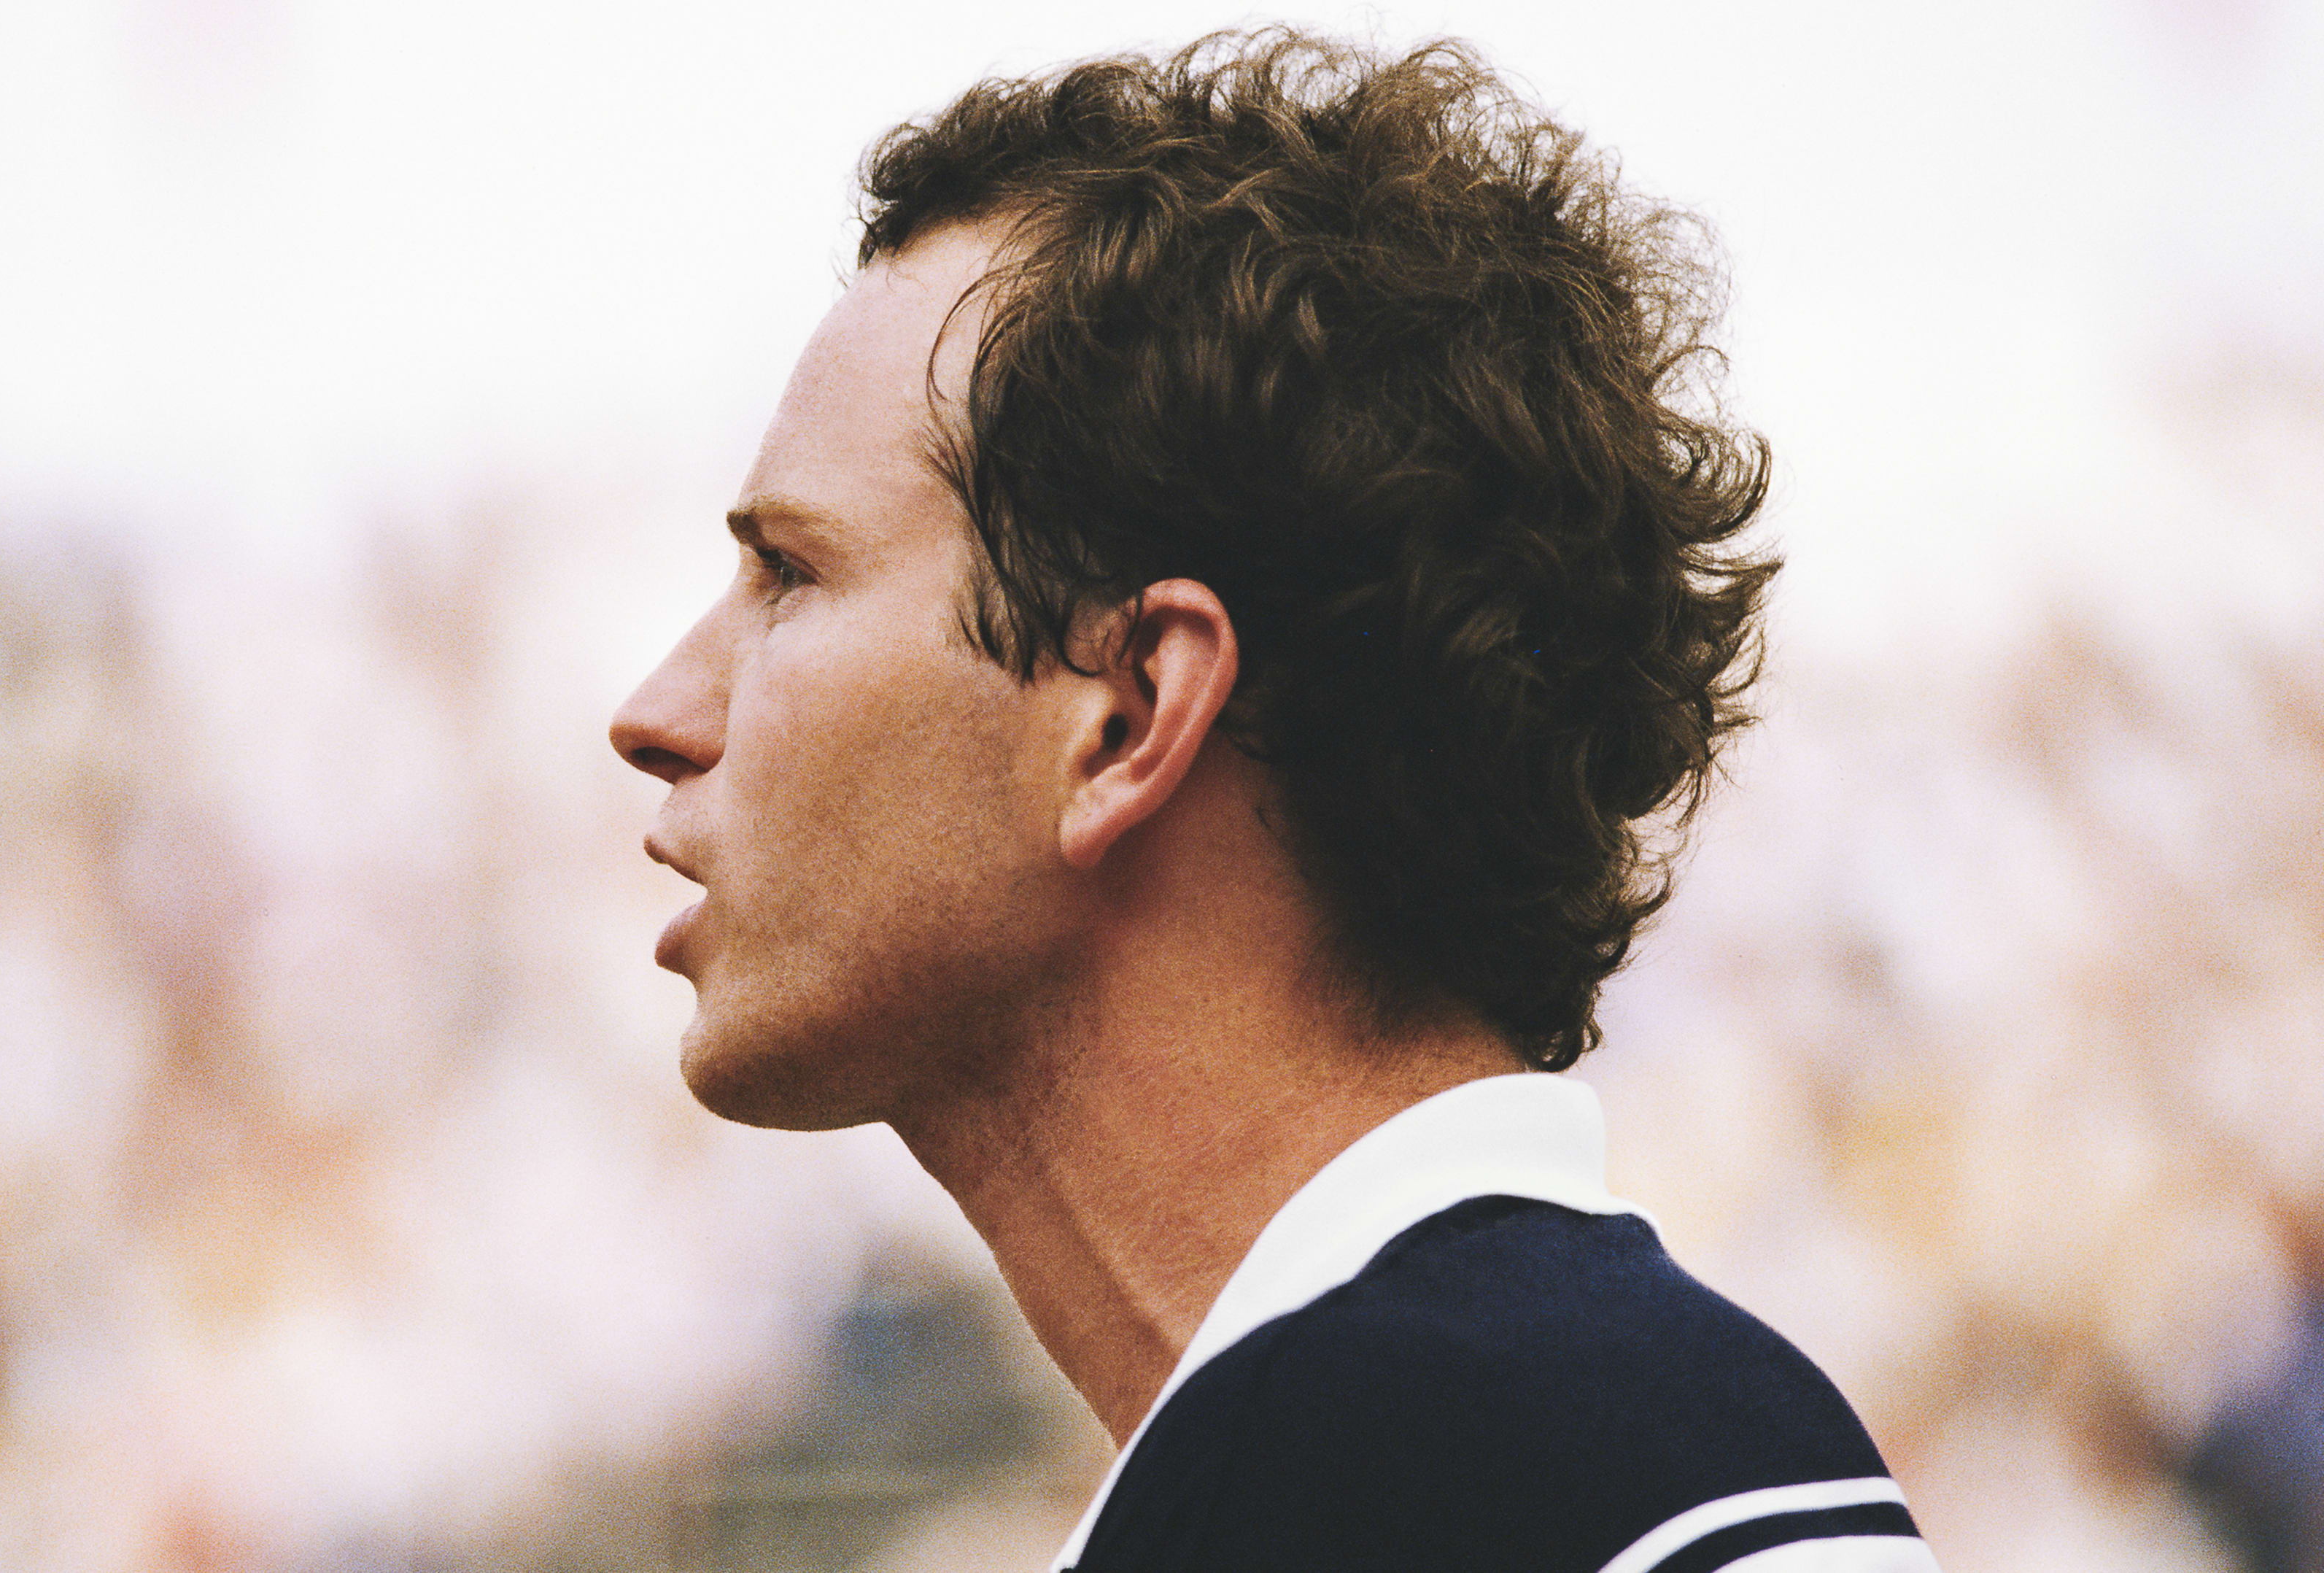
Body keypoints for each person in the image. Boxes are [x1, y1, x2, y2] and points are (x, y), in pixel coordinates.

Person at [609, 28, 1937, 1573]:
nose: (657, 712)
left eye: (789, 572)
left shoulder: (1599, 1496)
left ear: (1129, 715)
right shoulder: (1506, 1461)